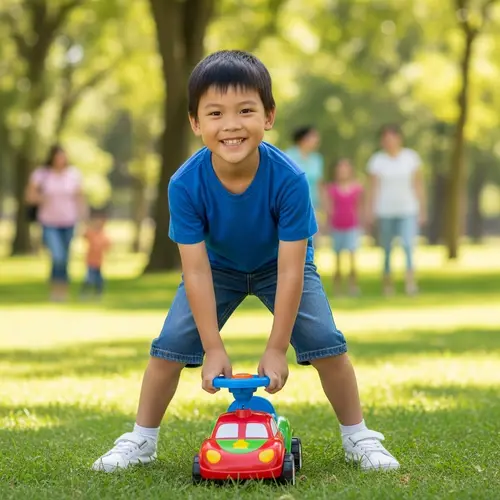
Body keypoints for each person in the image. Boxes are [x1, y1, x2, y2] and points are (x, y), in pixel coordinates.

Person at [92, 50, 399, 473]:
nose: (232, 124)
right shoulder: (184, 184)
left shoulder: (289, 179)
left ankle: (359, 436)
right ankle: (141, 439)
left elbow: (292, 268)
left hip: (279, 266)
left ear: (268, 116)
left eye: (246, 110)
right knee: (169, 348)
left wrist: (276, 349)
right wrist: (213, 348)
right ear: (196, 123)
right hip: (217, 268)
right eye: (215, 113)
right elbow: (196, 270)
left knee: (326, 341)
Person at [365, 124, 427, 296]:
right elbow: (373, 188)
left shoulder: (411, 158)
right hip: (385, 211)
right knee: (386, 249)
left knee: (408, 246)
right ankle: (387, 285)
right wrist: (369, 211)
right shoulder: (377, 160)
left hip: (408, 209)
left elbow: (418, 185)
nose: (389, 141)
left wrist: (422, 209)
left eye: (392, 137)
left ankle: (410, 283)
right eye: (385, 138)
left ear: (399, 138)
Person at [25, 145, 86, 301]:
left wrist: (84, 217)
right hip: (49, 222)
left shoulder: (73, 174)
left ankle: (62, 291)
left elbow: (79, 198)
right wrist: (42, 198)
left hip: (69, 221)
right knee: (57, 255)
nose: (60, 160)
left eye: (63, 157)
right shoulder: (41, 175)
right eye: (57, 157)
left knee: (65, 257)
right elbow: (29, 196)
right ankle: (55, 289)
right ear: (52, 158)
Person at [323, 159, 363, 296]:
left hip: (352, 227)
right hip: (337, 227)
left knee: (352, 259)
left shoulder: (356, 188)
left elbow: (360, 207)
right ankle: (337, 289)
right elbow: (329, 208)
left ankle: (353, 287)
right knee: (337, 260)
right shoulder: (332, 189)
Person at [285, 126, 324, 211]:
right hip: (291, 204)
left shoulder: (317, 159)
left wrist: (323, 207)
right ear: (303, 138)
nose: (317, 139)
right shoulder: (288, 156)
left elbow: (319, 183)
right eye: (313, 136)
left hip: (313, 205)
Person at [80, 209, 110, 298]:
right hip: (90, 261)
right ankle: (84, 293)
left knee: (99, 280)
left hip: (99, 262)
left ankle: (98, 294)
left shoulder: (104, 235)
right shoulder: (90, 233)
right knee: (89, 278)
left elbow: (108, 245)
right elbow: (83, 234)